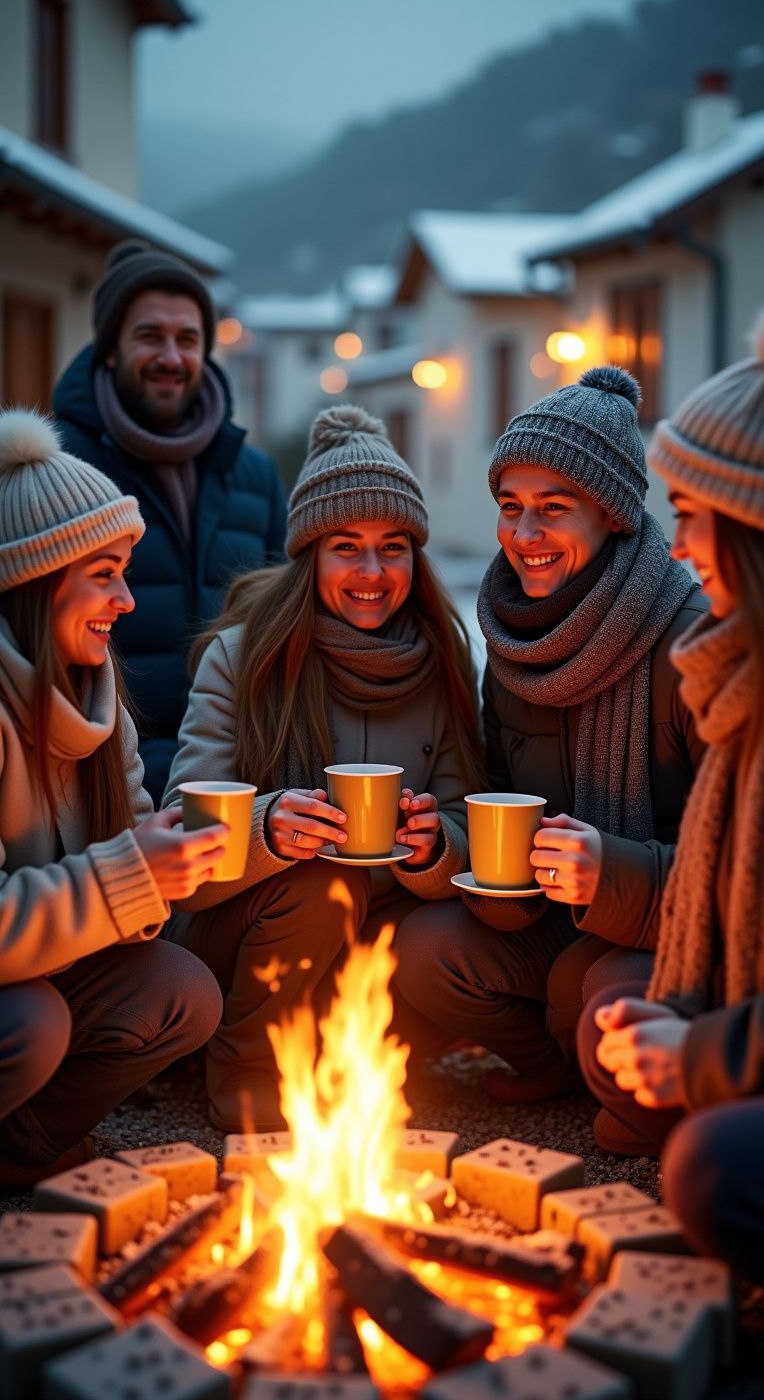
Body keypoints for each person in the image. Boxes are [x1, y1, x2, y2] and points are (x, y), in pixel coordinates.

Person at [577, 297, 764, 1298]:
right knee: (611, 1027)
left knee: (708, 1169)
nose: (677, 549)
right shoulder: (752, 682)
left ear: (761, 532)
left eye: (690, 520)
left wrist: (707, 1053)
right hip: (760, 1010)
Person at [394, 366, 706, 1124]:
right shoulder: (514, 642)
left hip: (670, 930)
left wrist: (612, 874)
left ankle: (623, 1083)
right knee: (424, 949)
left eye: (553, 510)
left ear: (614, 516)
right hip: (557, 919)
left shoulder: (689, 638)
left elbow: (736, 873)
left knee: (602, 1014)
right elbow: (500, 796)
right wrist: (446, 845)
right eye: (510, 508)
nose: (524, 536)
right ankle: (554, 1066)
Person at [163, 404, 483, 1132]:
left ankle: (355, 1060)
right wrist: (269, 828)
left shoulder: (443, 666)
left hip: (373, 932)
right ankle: (247, 1068)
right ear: (310, 553)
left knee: (443, 931)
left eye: (393, 547)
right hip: (249, 925)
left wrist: (436, 846)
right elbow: (183, 826)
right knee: (322, 877)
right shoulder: (243, 659)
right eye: (347, 546)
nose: (372, 572)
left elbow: (468, 818)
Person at [0, 409, 225, 1189]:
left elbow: (128, 879)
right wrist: (129, 874)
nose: (127, 600)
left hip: (45, 966)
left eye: (125, 570)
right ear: (33, 582)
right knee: (30, 1025)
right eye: (104, 573)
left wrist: (162, 870)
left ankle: (19, 1149)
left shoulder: (100, 707)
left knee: (182, 990)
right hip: (17, 988)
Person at [52, 238, 288, 803]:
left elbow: (287, 622)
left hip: (241, 785)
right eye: (149, 336)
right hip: (104, 788)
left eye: (188, 339)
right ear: (109, 349)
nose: (171, 356)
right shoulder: (61, 473)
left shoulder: (253, 474)